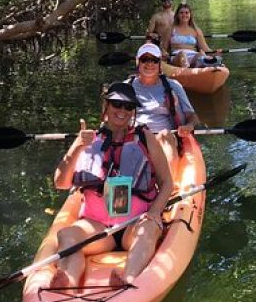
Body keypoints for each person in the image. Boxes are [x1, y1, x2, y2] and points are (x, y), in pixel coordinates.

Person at [51, 82, 174, 288]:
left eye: (128, 107)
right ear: (106, 106)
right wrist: (78, 146)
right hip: (96, 227)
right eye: (117, 104)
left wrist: (154, 212)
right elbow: (61, 183)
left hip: (134, 226)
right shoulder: (88, 140)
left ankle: (128, 278)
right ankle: (68, 280)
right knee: (66, 234)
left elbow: (167, 183)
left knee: (149, 228)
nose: (122, 110)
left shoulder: (145, 138)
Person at [128, 42, 200, 172]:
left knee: (165, 137)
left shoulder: (174, 86)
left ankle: (168, 184)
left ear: (159, 64)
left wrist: (189, 126)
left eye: (154, 60)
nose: (150, 64)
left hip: (166, 137)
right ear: (138, 63)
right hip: (136, 137)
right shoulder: (126, 87)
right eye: (145, 59)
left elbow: (193, 117)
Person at [166, 3, 220, 68]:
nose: (184, 15)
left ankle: (204, 67)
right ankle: (188, 70)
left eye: (186, 13)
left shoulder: (196, 30)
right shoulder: (171, 29)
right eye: (181, 13)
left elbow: (205, 48)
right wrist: (164, 53)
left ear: (190, 15)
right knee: (182, 54)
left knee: (201, 54)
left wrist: (214, 52)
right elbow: (164, 47)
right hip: (177, 56)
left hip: (193, 56)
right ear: (177, 15)